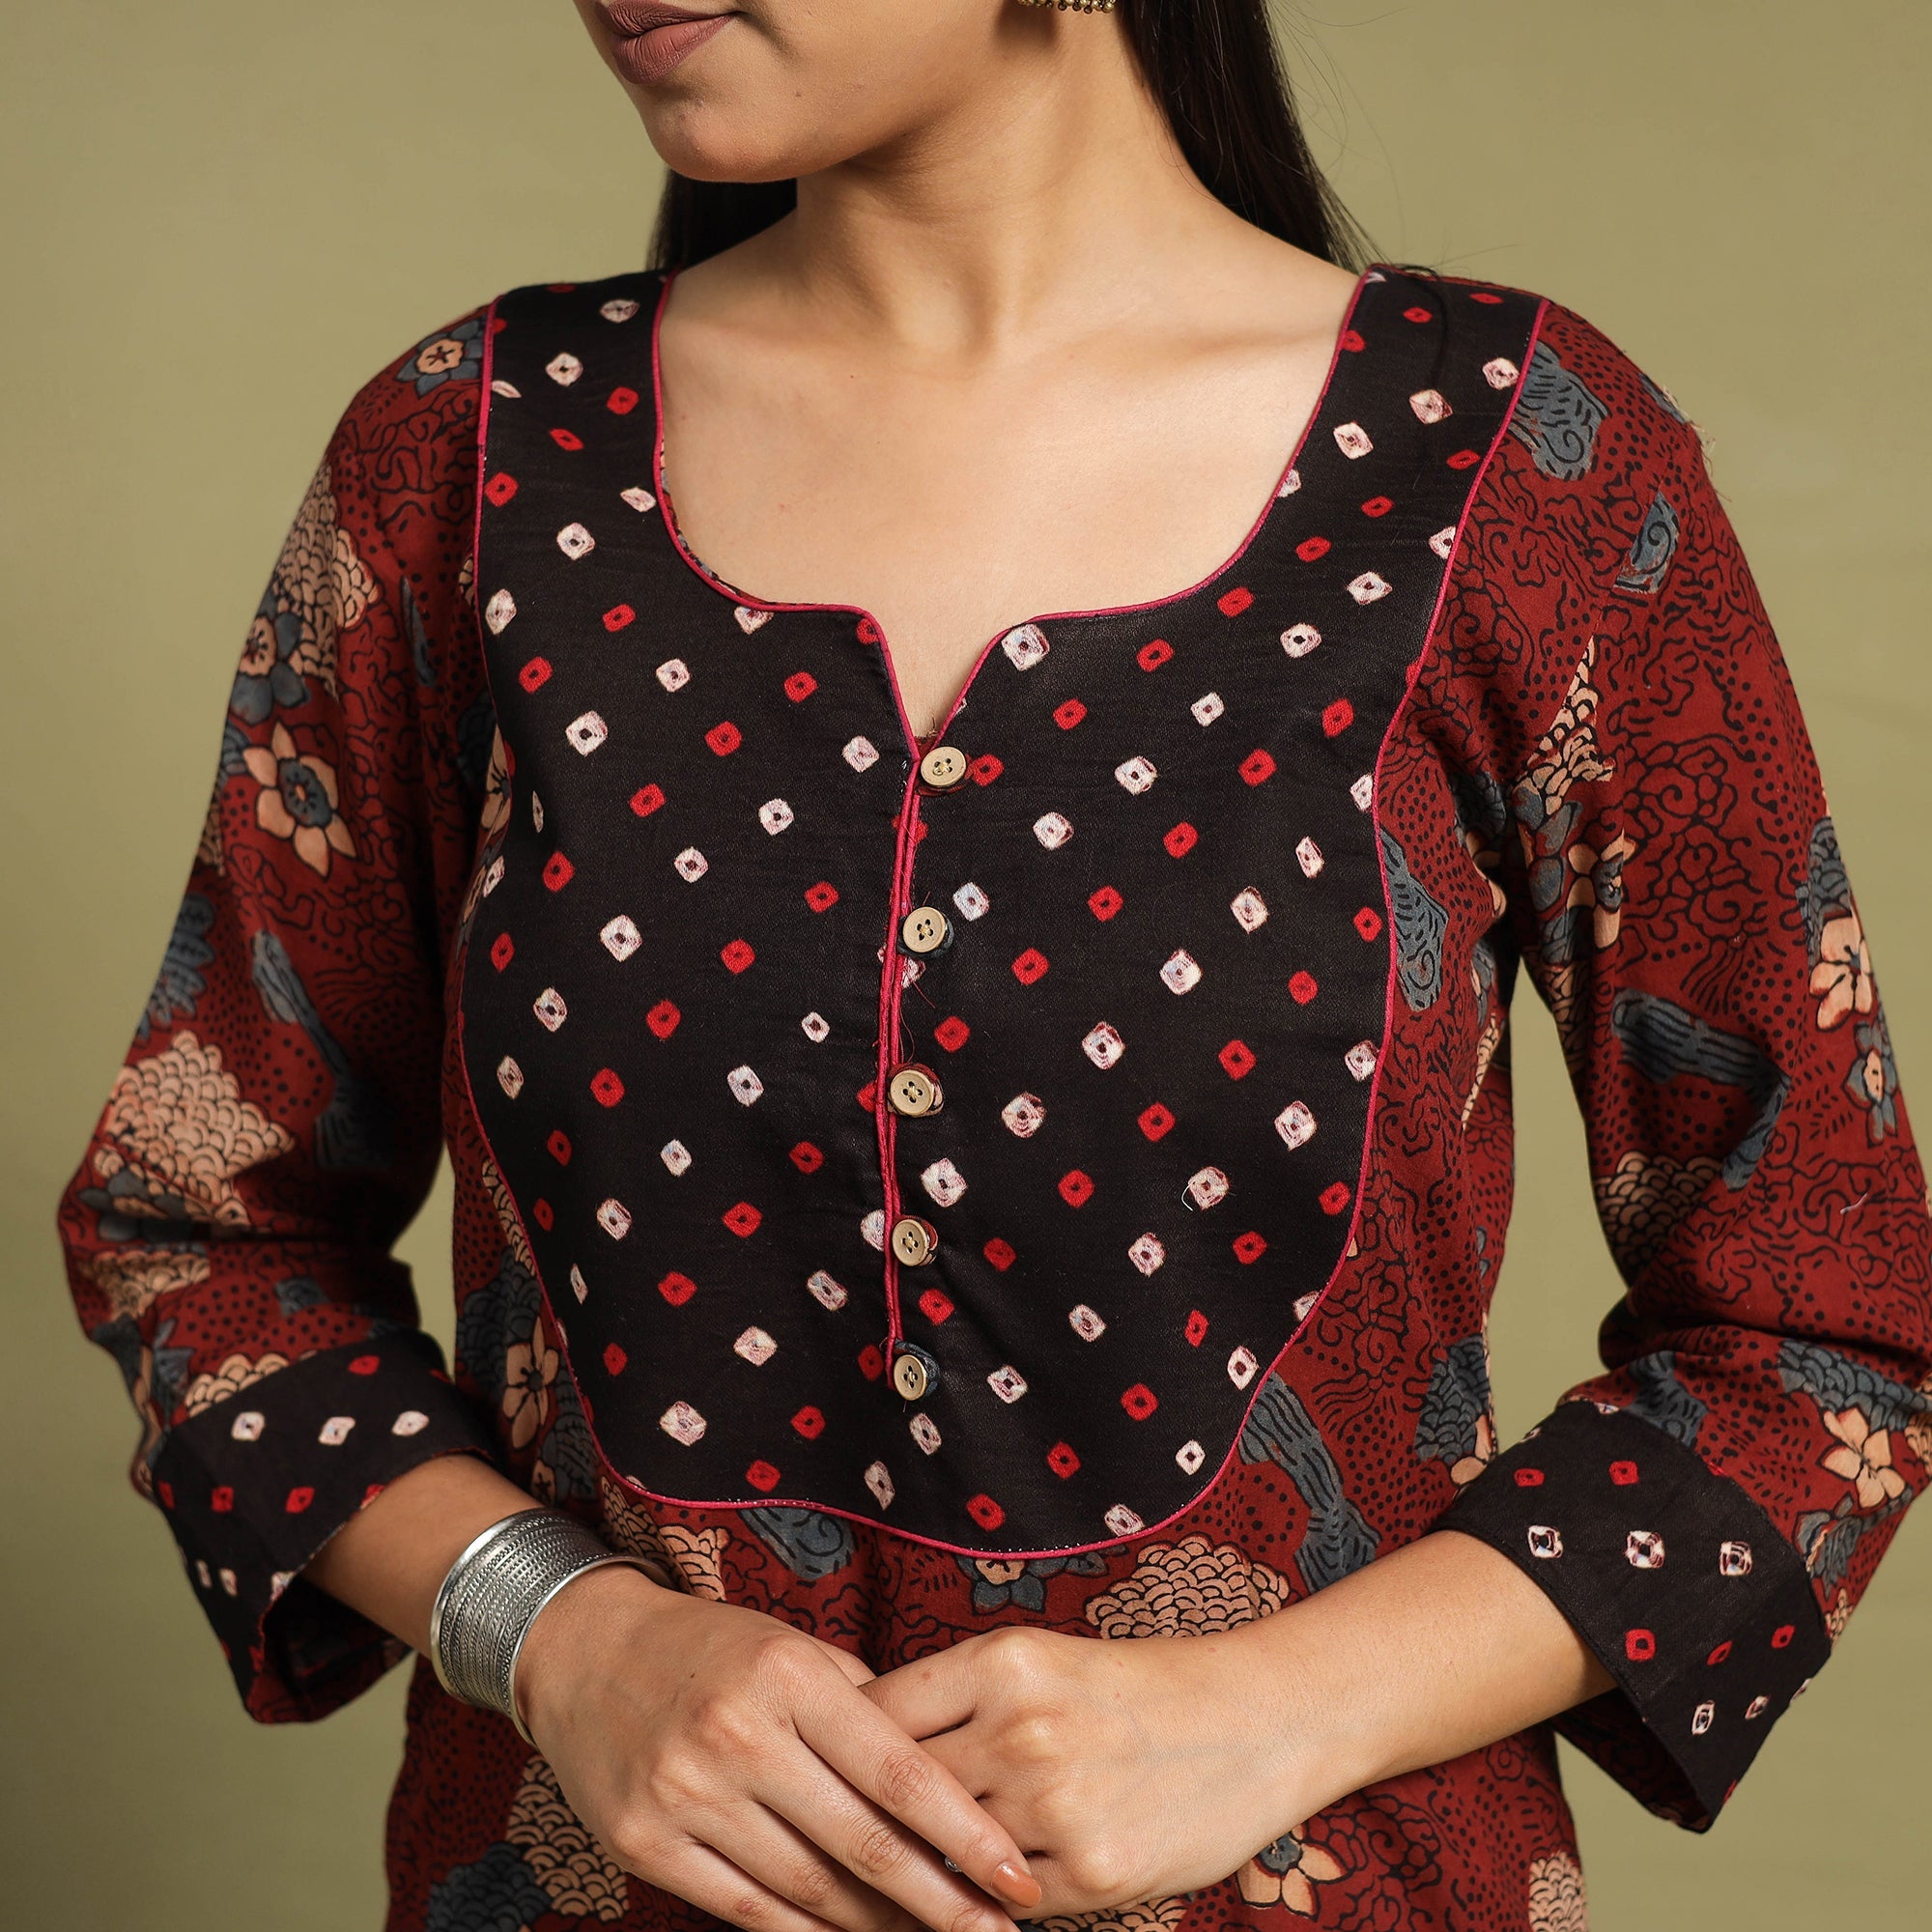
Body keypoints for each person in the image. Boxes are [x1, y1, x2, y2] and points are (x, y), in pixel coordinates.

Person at [56, 4, 1932, 1929]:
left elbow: (1826, 1326)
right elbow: (202, 1231)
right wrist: (554, 1632)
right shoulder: (467, 459)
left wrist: (1275, 1711)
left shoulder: (1519, 471)